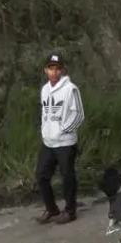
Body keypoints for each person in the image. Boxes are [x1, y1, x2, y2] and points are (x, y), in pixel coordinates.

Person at [36, 54, 85, 224]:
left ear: (62, 70)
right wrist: (45, 132)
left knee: (67, 177)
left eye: (57, 69)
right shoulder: (44, 90)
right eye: (51, 68)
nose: (54, 72)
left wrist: (63, 130)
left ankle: (70, 211)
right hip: (48, 142)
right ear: (45, 70)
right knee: (41, 176)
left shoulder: (70, 89)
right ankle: (52, 209)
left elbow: (79, 114)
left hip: (65, 142)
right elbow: (45, 114)